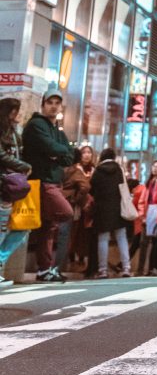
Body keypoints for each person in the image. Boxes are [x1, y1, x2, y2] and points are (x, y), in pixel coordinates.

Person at [22, 90, 74, 282]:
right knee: (66, 213)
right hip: (42, 181)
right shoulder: (37, 125)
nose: (53, 106)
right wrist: (57, 152)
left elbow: (69, 155)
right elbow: (54, 148)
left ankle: (45, 269)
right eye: (50, 102)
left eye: (57, 103)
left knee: (49, 226)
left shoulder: (57, 130)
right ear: (43, 104)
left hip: (53, 181)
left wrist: (58, 153)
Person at [0, 97, 31, 285]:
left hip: (14, 185)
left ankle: (0, 260)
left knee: (22, 227)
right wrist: (23, 165)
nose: (17, 115)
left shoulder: (14, 132)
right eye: (14, 111)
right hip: (4, 183)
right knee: (2, 227)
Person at [90, 148, 132, 278]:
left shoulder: (97, 171)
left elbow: (92, 189)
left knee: (103, 238)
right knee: (121, 237)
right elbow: (124, 188)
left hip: (102, 208)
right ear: (114, 157)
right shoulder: (119, 170)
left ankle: (102, 269)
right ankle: (126, 268)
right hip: (118, 207)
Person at [62, 145, 95, 273]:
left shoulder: (94, 169)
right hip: (76, 206)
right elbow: (84, 187)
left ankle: (81, 257)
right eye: (84, 152)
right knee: (72, 231)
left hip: (88, 207)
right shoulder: (75, 169)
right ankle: (70, 257)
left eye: (89, 152)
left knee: (84, 233)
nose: (87, 155)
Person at [136, 160, 157, 275]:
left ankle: (152, 268)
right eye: (153, 165)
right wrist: (142, 215)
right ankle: (140, 269)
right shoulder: (148, 184)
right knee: (143, 243)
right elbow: (142, 201)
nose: (155, 168)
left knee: (156, 242)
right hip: (147, 215)